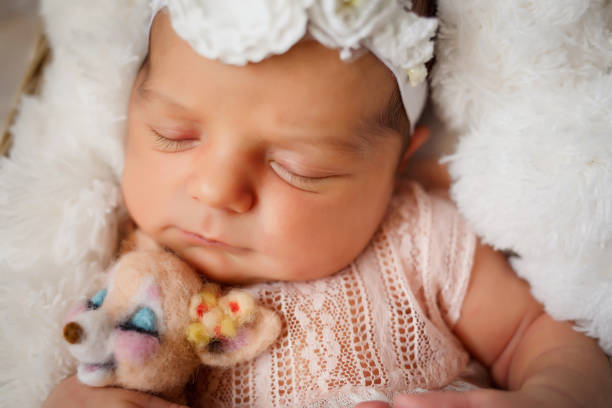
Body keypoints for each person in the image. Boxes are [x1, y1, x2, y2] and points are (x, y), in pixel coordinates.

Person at [44, 1, 612, 407]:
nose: (215, 190)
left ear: (394, 168)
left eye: (300, 168)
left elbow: (539, 335)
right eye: (174, 133)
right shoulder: (125, 276)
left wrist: (556, 394)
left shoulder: (419, 239)